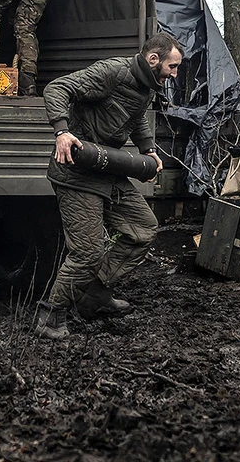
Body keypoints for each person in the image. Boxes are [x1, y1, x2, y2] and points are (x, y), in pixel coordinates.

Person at [35, 32, 184, 339]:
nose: (174, 74)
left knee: (143, 229)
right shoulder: (112, 72)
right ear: (153, 59)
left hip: (106, 168)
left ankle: (95, 294)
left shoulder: (146, 85)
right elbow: (57, 88)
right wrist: (62, 132)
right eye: (173, 66)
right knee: (87, 253)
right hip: (76, 171)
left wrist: (148, 149)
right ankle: (50, 317)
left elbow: (137, 114)